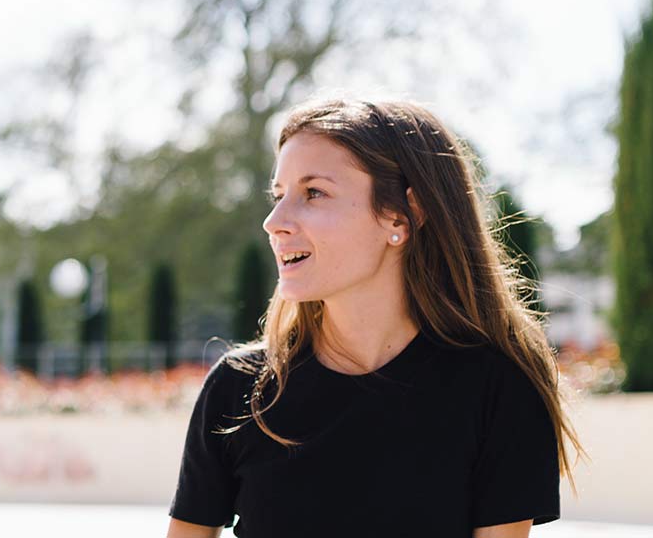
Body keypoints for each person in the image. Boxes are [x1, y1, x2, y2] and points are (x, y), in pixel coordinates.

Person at [166, 99, 582, 538]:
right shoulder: (238, 388)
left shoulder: (499, 387)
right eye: (278, 195)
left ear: (402, 215)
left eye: (313, 192)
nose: (274, 221)